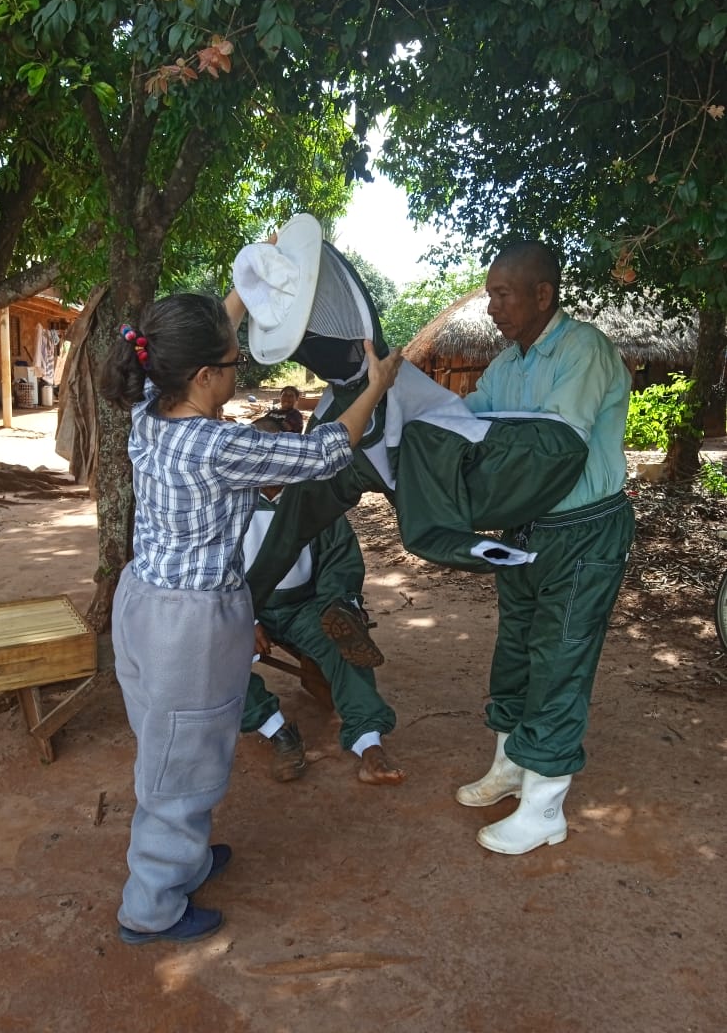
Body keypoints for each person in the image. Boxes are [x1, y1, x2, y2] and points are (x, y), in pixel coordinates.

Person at [99, 273, 402, 944]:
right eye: (235, 361)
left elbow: (197, 345)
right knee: (184, 764)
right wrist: (374, 387)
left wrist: (240, 295)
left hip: (143, 604)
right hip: (192, 624)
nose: (242, 369)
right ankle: (151, 907)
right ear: (205, 375)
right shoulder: (218, 446)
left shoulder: (150, 406)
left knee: (168, 743)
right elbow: (326, 450)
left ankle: (186, 861)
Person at [456, 239, 635, 855]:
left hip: (584, 530)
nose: (493, 308)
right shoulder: (511, 362)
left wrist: (484, 453)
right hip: (527, 530)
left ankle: (544, 807)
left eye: (503, 295)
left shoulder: (581, 349)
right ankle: (510, 765)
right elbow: (469, 415)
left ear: (542, 294)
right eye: (489, 295)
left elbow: (553, 440)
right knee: (517, 651)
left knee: (559, 659)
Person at [240, 416, 403, 786]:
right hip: (247, 608)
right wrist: (245, 618)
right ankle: (277, 731)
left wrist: (339, 604)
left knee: (345, 641)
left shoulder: (310, 496)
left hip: (304, 606)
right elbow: (215, 569)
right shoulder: (230, 500)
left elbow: (339, 560)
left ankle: (369, 743)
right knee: (214, 656)